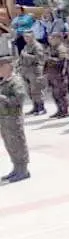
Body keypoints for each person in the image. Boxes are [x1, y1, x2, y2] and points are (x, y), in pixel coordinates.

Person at [0, 55, 29, 183]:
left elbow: (18, 100)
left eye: (1, 66)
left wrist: (2, 97)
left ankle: (23, 169)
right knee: (9, 143)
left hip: (13, 117)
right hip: (4, 117)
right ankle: (16, 167)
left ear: (8, 67)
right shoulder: (4, 81)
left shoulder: (16, 81)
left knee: (18, 142)